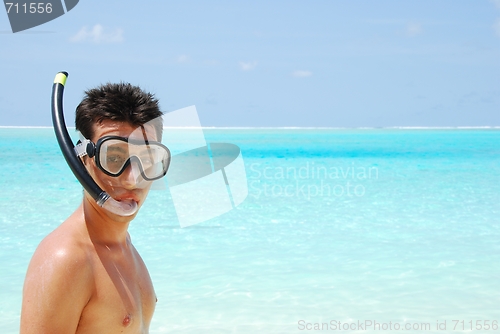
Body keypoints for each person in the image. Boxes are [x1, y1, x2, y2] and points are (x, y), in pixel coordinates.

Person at [20, 82, 169, 333]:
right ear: (82, 158)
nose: (133, 179)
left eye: (146, 159)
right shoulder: (66, 259)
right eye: (114, 158)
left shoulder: (124, 245)